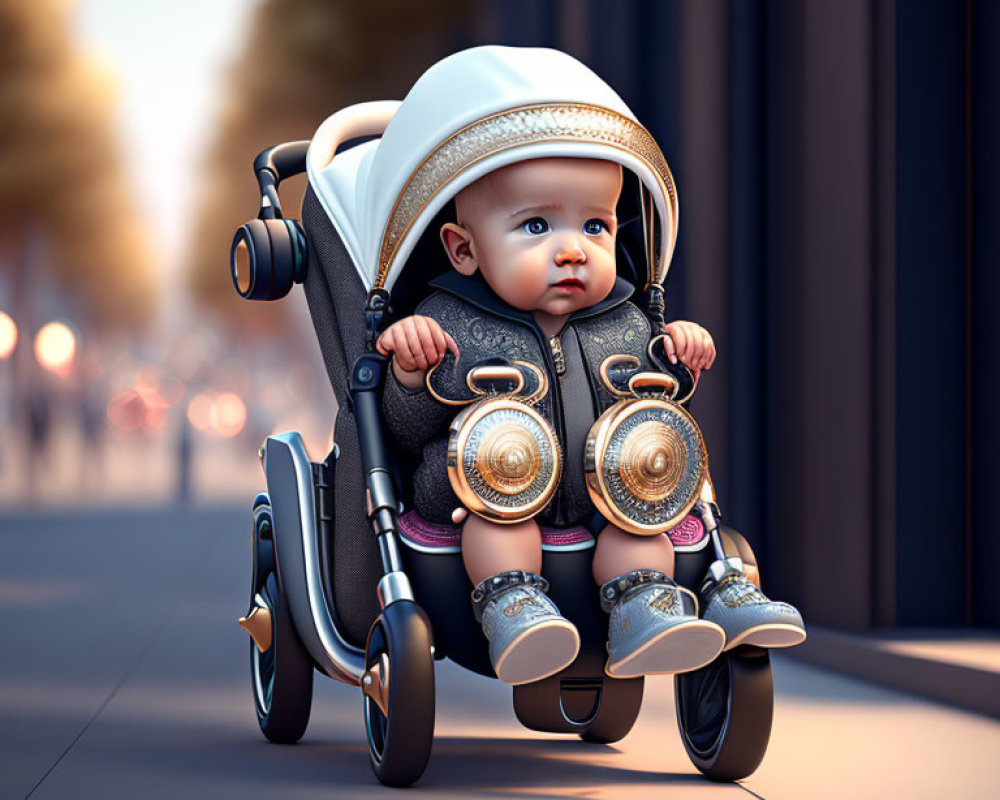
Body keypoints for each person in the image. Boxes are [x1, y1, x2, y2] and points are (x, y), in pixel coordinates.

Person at [378, 154, 805, 685]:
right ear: (465, 249)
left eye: (595, 226)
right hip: (487, 498)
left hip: (606, 497)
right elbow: (406, 431)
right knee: (496, 520)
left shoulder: (625, 321)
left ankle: (643, 604)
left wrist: (680, 359)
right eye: (537, 226)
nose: (574, 250)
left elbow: (657, 418)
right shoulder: (446, 323)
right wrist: (411, 374)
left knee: (641, 519)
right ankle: (514, 605)